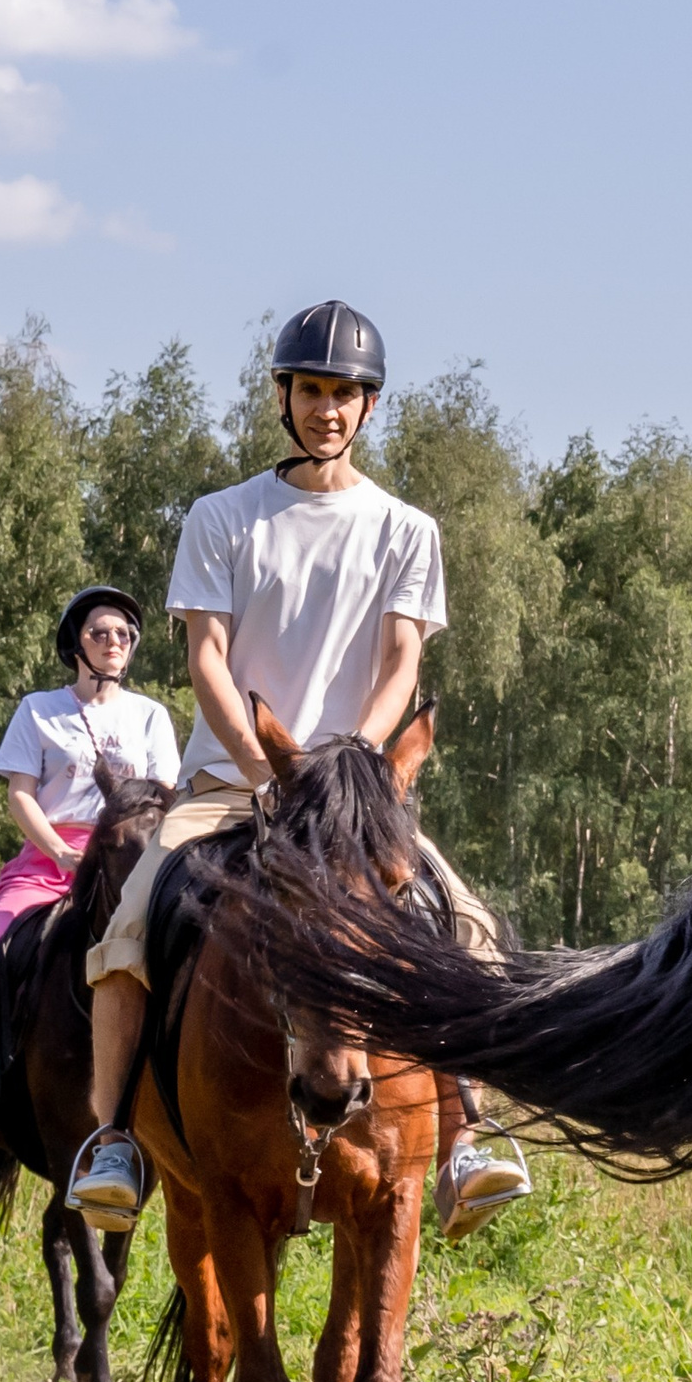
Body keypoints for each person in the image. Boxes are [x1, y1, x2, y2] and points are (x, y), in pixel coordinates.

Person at [63, 299, 530, 1239]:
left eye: (345, 394)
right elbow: (206, 659)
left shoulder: (406, 528)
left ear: (368, 408)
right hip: (234, 784)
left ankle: (468, 1131)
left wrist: (344, 779)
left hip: (353, 796)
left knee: (466, 926)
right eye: (312, 390)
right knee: (128, 927)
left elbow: (403, 663)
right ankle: (112, 1138)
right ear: (284, 396)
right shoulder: (223, 517)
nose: (327, 408)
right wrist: (270, 774)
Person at [0, 587, 183, 1144]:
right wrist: (59, 848)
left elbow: (164, 797)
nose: (114, 643)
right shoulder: (39, 709)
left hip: (132, 860)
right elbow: (20, 794)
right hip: (51, 857)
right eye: (101, 633)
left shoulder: (151, 716)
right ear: (76, 645)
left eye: (124, 636)